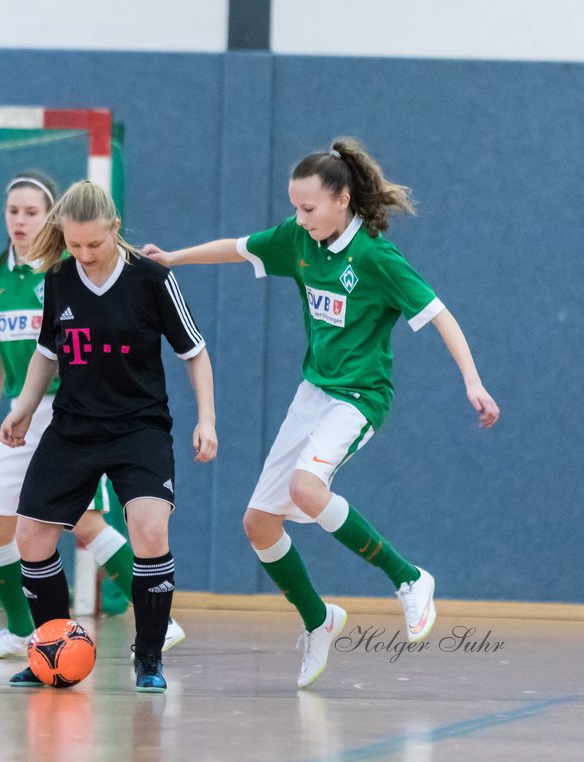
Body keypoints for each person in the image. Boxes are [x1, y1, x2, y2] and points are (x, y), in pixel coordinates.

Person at [143, 138, 499, 689]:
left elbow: (441, 315)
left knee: (308, 488)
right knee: (258, 525)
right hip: (313, 393)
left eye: (308, 208)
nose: (298, 217)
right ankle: (319, 619)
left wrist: (473, 383)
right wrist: (173, 258)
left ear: (342, 201)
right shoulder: (298, 241)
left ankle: (408, 578)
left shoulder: (377, 257)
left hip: (359, 398)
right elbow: (237, 249)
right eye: (294, 207)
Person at [0, 180, 217, 693]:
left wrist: (206, 418)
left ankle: (149, 658)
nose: (84, 254)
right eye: (74, 245)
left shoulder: (152, 280)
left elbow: (195, 352)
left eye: (94, 244)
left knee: (148, 529)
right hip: (74, 427)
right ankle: (50, 651)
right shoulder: (59, 278)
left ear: (115, 229)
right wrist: (25, 409)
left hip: (139, 428)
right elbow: (47, 351)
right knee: (29, 536)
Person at [0, 172, 186, 659]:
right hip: (26, 407)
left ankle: (155, 621)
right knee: (0, 525)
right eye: (13, 211)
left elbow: (66, 348)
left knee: (84, 522)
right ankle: (25, 630)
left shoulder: (76, 269)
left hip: (78, 409)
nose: (20, 220)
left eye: (31, 211)